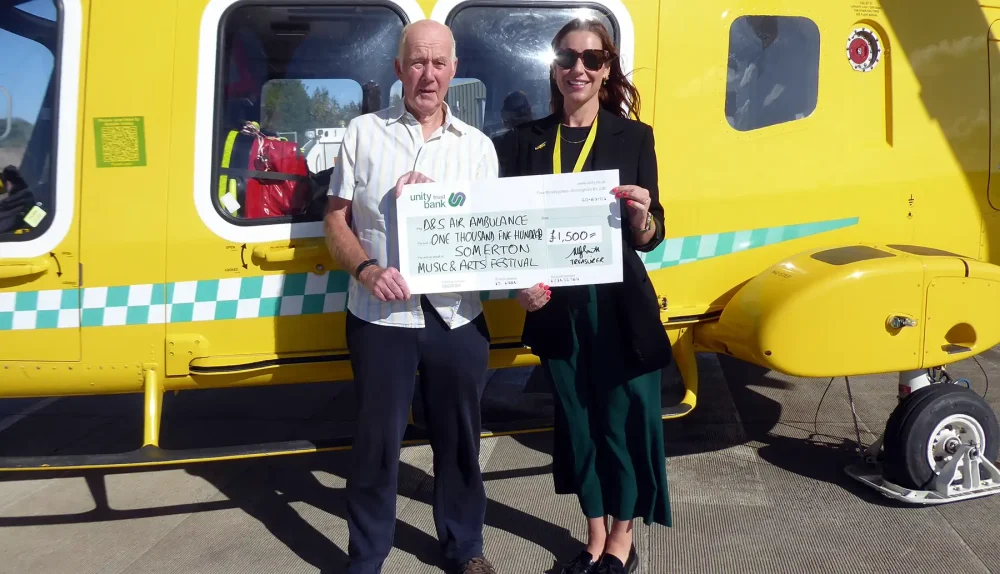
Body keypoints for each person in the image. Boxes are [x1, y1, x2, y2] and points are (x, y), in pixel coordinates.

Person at [323, 19, 499, 574]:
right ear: (399, 70)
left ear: (454, 70)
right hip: (380, 316)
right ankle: (367, 556)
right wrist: (367, 270)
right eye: (417, 63)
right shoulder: (361, 134)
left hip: (456, 316)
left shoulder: (478, 148)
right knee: (377, 446)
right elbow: (335, 221)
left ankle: (464, 548)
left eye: (439, 63)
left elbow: (494, 236)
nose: (428, 75)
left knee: (461, 442)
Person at [499, 18, 673, 574]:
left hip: (618, 304)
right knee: (577, 422)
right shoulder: (526, 141)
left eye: (592, 60)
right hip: (557, 307)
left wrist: (643, 218)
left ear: (606, 69)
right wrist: (515, 284)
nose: (579, 68)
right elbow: (502, 230)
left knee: (622, 419)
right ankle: (594, 533)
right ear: (553, 66)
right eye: (568, 57)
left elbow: (653, 234)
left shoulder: (633, 136)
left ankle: (623, 538)